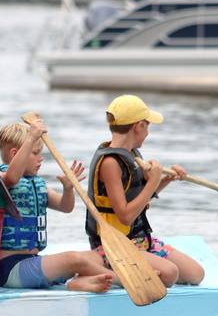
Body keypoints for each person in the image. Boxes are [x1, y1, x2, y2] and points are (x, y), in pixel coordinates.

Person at [85, 94, 205, 286]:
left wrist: (165, 180)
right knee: (169, 274)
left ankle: (137, 267)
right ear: (138, 126)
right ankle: (95, 270)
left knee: (196, 274)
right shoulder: (110, 163)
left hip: (140, 241)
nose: (148, 132)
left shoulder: (132, 155)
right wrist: (152, 182)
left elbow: (140, 200)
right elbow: (125, 216)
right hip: (115, 246)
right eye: (147, 126)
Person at [0, 119, 114, 293]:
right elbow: (12, 178)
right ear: (15, 154)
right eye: (35, 153)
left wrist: (68, 188)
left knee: (94, 257)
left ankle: (76, 283)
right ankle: (126, 281)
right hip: (10, 269)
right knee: (73, 259)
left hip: (34, 262)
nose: (41, 158)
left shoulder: (37, 185)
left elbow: (65, 207)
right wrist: (31, 138)